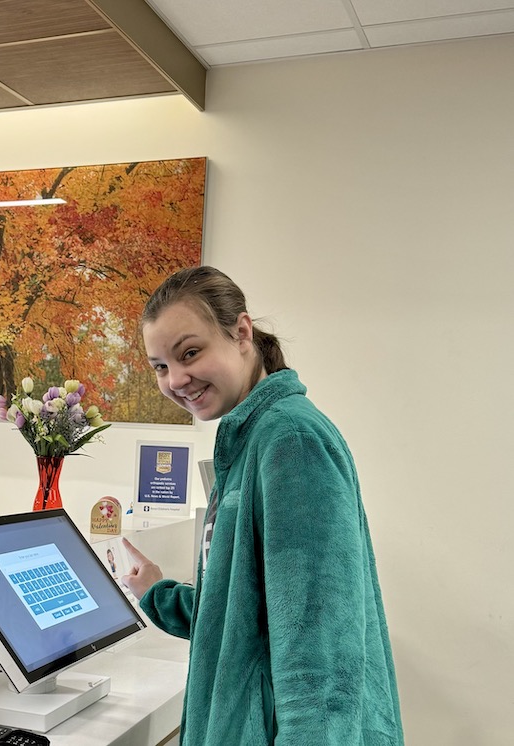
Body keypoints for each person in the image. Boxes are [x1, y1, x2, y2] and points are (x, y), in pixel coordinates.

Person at [120, 266, 404, 745]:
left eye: (190, 353)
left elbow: (322, 651)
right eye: (160, 366)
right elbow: (241, 615)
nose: (176, 379)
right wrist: (158, 593)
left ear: (242, 333)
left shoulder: (289, 439)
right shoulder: (250, 440)